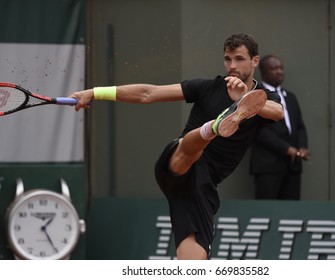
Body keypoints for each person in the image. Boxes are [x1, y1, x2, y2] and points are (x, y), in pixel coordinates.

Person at [70, 34, 283, 260]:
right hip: (176, 160)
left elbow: (277, 112)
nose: (232, 66)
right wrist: (94, 92)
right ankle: (212, 127)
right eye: (227, 59)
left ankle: (213, 127)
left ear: (255, 61)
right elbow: (148, 93)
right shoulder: (206, 87)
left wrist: (245, 100)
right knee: (192, 150)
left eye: (239, 59)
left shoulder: (266, 97)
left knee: (195, 259)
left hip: (199, 186)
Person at [250, 54, 310, 200]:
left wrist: (302, 147)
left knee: (291, 214)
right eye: (274, 68)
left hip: (293, 166)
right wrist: (287, 149)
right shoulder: (256, 95)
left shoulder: (290, 97)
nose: (279, 71)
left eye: (281, 68)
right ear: (264, 72)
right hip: (268, 166)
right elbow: (260, 132)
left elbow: (300, 126)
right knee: (266, 213)